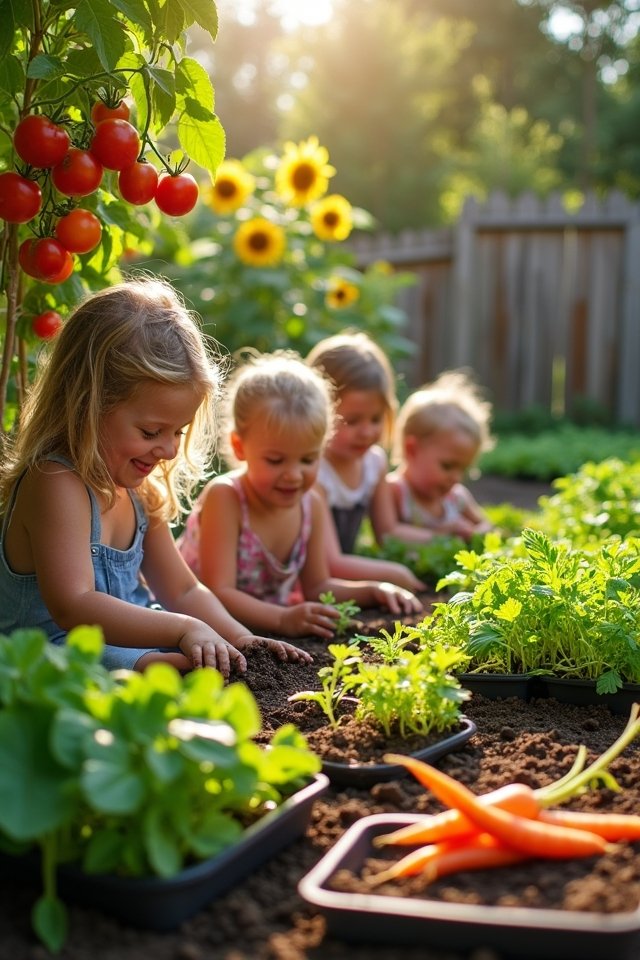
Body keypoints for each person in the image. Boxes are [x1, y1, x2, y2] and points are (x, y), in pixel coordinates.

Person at [0, 278, 309, 677]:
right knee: (179, 670)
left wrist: (237, 636)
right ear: (87, 405)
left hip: (131, 641)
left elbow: (182, 589)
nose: (168, 450)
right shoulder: (56, 481)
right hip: (51, 655)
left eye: (177, 431)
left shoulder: (139, 488)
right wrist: (183, 629)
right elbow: (73, 605)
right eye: (150, 432)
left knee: (213, 662)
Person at [177, 350, 421, 639]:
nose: (294, 475)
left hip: (261, 626)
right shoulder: (226, 498)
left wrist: (373, 590)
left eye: (307, 460)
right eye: (276, 461)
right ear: (240, 446)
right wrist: (282, 619)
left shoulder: (311, 504)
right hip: (198, 625)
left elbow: (317, 587)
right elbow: (219, 591)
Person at [306, 331, 425, 593]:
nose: (367, 432)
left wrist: (447, 538)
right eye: (352, 420)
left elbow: (388, 532)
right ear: (317, 414)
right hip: (314, 581)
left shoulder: (374, 463)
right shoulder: (313, 472)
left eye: (375, 419)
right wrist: (394, 574)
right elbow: (331, 563)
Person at [379, 369, 494, 543]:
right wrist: (441, 536)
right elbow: (388, 534)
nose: (456, 477)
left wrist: (474, 533)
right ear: (412, 450)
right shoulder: (395, 491)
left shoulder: (456, 497)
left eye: (463, 469)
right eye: (447, 466)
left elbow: (488, 527)